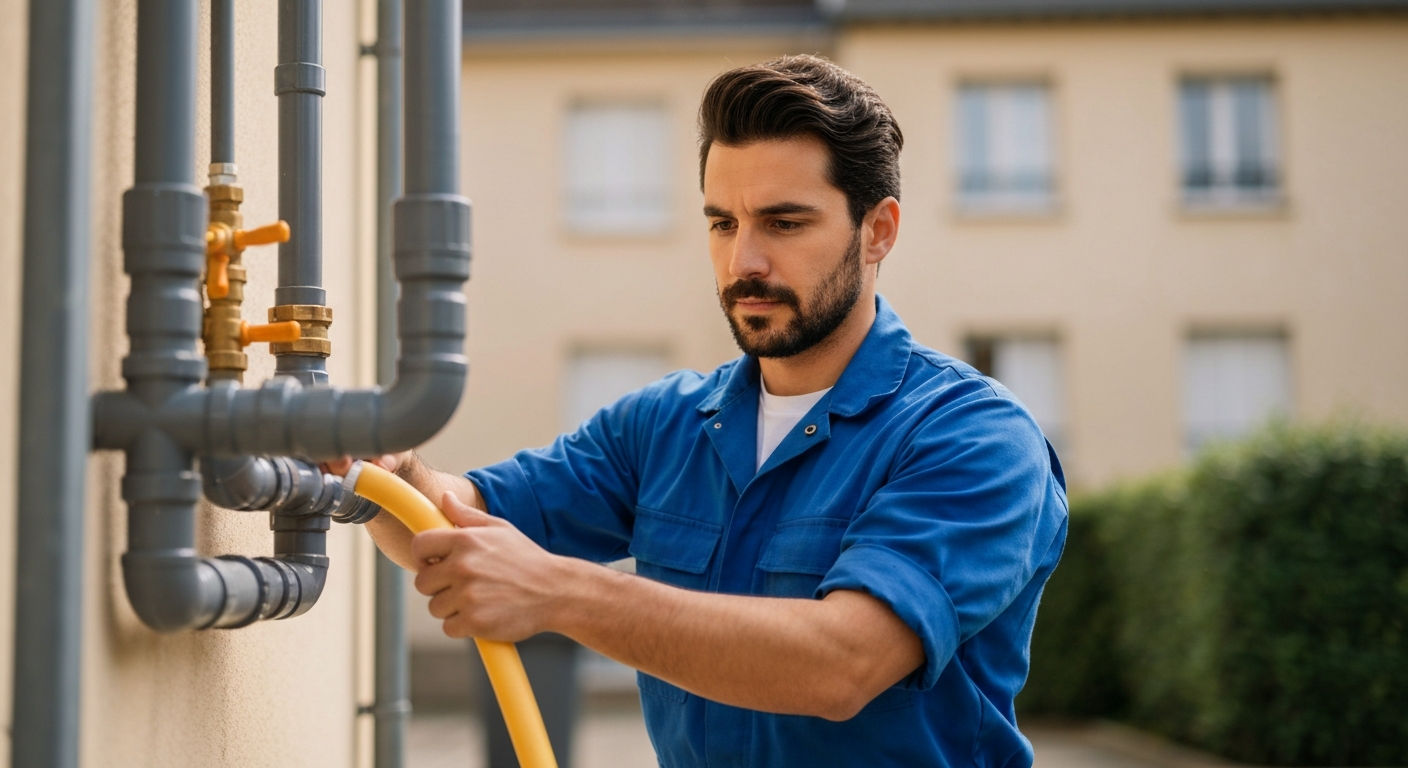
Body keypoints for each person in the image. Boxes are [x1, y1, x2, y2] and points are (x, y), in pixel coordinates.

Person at [355, 54, 1068, 767]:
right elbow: (451, 522)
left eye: (783, 223)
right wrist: (380, 465)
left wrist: (559, 591)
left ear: (878, 230)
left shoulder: (974, 436)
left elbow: (843, 663)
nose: (742, 262)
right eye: (722, 224)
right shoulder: (663, 425)